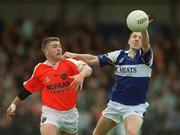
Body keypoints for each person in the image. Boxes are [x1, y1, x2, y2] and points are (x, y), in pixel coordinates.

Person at [64, 28, 153, 135]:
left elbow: (146, 44)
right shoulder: (119, 55)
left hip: (135, 107)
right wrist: (75, 56)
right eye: (134, 37)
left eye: (140, 38)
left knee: (132, 133)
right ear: (129, 40)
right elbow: (94, 59)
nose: (137, 39)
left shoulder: (146, 57)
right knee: (97, 133)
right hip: (115, 104)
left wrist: (142, 26)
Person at [6, 37, 92, 135]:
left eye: (59, 46)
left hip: (70, 115)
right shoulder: (40, 69)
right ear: (47, 51)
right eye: (55, 47)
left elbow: (88, 69)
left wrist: (81, 75)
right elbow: (27, 89)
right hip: (51, 113)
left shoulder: (69, 62)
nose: (59, 49)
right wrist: (13, 104)